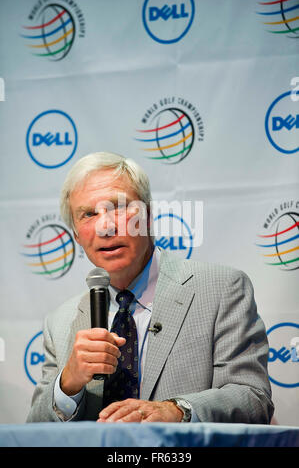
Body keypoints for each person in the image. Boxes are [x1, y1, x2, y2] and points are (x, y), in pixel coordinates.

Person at [27, 151, 274, 423]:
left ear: (147, 214)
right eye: (87, 214)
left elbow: (253, 398)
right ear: (76, 234)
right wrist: (67, 385)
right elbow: (33, 431)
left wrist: (177, 411)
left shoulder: (222, 290)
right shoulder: (60, 322)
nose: (105, 226)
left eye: (118, 207)